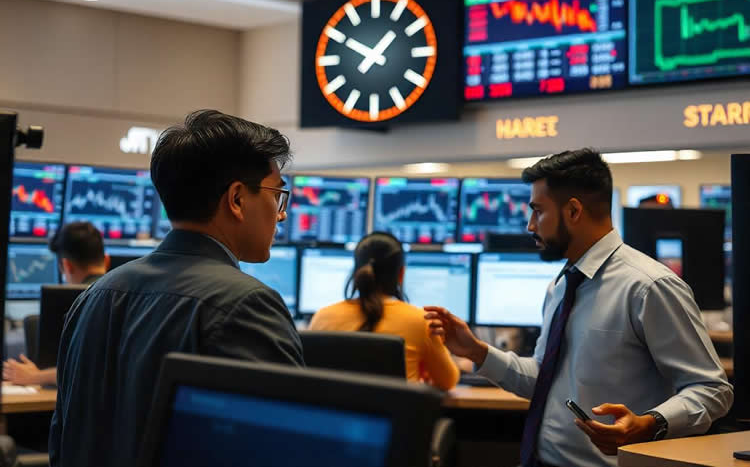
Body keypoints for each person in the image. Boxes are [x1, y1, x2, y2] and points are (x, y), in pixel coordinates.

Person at [425, 149, 733, 467]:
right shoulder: (561, 285)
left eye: (538, 212)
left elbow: (712, 389)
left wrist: (650, 422)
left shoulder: (648, 287)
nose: (530, 226)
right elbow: (542, 380)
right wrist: (476, 351)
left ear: (573, 211)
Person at [49, 110, 304, 467]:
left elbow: (62, 440)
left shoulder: (93, 297)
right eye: (277, 195)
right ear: (236, 199)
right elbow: (280, 449)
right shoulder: (246, 304)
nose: (281, 214)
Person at [310, 232, 459, 390]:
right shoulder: (421, 321)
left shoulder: (322, 317)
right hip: (396, 415)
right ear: (401, 274)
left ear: (356, 272)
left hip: (338, 415)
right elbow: (448, 381)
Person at [3, 221, 109, 386]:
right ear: (106, 260)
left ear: (67, 266)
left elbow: (89, 370)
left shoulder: (87, 302)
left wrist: (36, 377)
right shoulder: (127, 298)